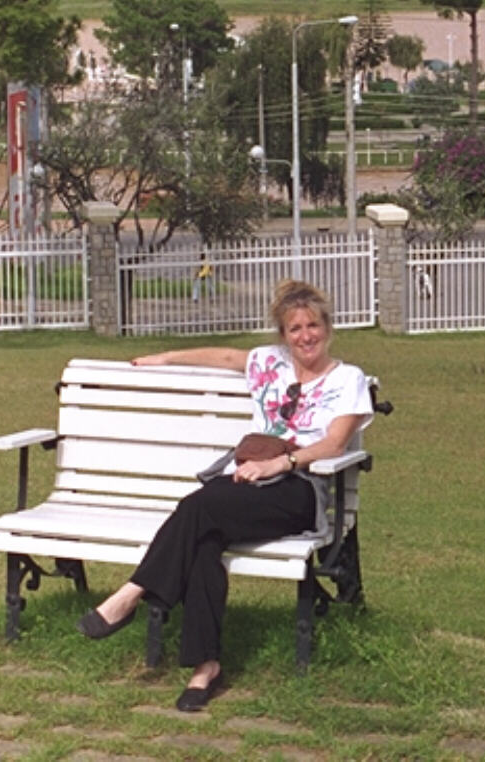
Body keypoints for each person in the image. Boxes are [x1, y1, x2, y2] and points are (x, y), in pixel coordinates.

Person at [76, 279, 375, 711]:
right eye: (295, 329)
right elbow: (223, 356)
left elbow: (334, 444)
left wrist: (280, 464)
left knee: (200, 506)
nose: (305, 336)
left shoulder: (348, 379)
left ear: (327, 328)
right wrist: (165, 357)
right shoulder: (269, 364)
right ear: (283, 335)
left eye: (313, 326)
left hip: (300, 488)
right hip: (246, 481)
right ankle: (205, 668)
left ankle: (130, 595)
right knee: (203, 541)